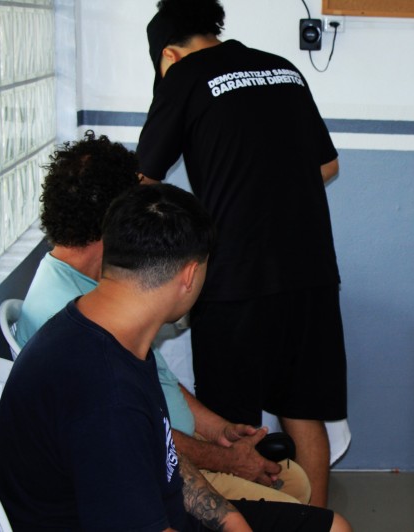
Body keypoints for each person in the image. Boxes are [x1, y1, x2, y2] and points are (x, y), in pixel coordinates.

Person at [0, 184, 350, 531]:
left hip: (158, 508)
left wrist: (228, 518)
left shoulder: (106, 329)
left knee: (333, 526)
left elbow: (164, 455)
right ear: (191, 275)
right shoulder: (106, 393)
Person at [14, 132, 311, 505]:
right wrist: (229, 461)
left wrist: (218, 430)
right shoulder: (70, 315)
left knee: (294, 481)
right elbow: (133, 434)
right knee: (293, 498)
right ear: (115, 219)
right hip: (156, 467)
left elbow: (159, 378)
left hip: (176, 444)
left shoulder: (102, 287)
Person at [137, 0, 347, 506]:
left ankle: (246, 523)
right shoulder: (283, 69)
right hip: (311, 268)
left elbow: (142, 181)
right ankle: (316, 524)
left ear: (168, 55)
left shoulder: (184, 77)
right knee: (304, 409)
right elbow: (327, 166)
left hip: (235, 276)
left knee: (232, 423)